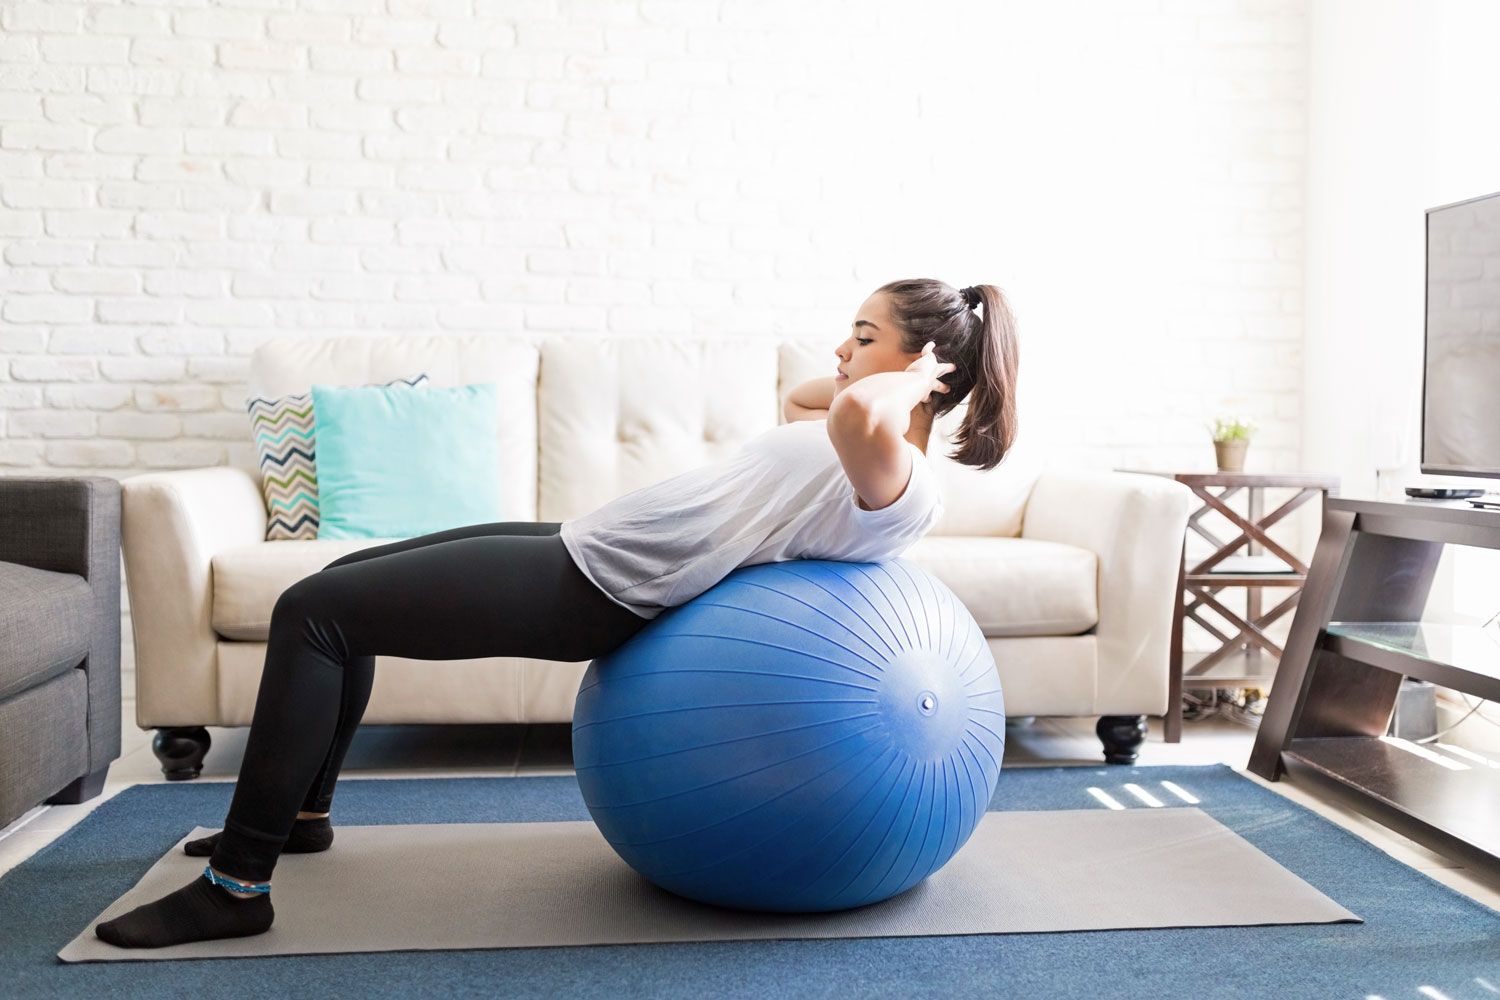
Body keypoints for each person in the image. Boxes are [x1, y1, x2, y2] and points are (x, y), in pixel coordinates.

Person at [94, 279, 1020, 948]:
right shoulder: (858, 434)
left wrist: (920, 382)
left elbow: (856, 415)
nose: (841, 352)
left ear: (916, 366)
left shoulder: (897, 477)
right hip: (585, 543)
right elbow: (806, 400)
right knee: (345, 583)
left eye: (860, 335)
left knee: (314, 614)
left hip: (598, 589)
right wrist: (888, 371)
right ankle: (299, 814)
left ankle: (238, 884)